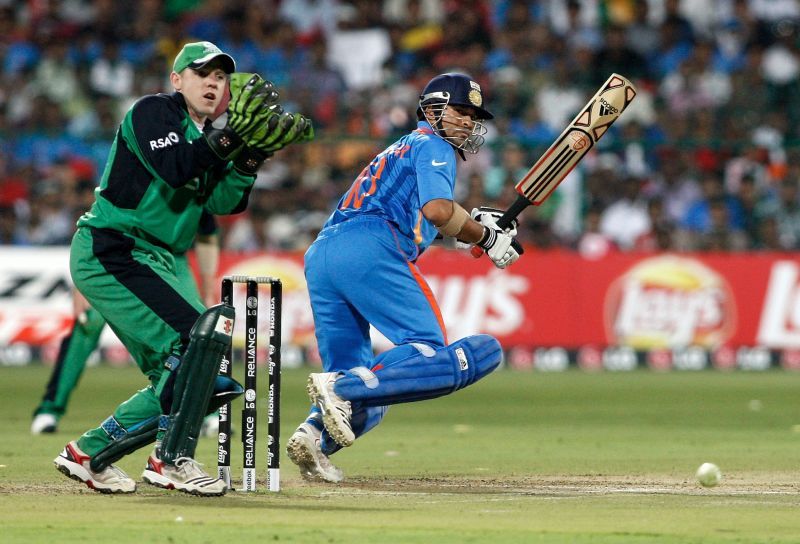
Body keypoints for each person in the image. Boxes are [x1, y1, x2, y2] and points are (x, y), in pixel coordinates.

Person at [54, 41, 312, 496]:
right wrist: (232, 138)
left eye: (220, 77)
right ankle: (170, 460)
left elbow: (223, 201)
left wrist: (252, 155)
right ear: (177, 80)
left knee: (197, 377)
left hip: (158, 258)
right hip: (113, 247)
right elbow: (175, 168)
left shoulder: (209, 137)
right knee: (201, 340)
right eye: (202, 74)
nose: (213, 82)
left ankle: (88, 455)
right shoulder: (153, 111)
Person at [286, 73, 521, 483]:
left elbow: (435, 216)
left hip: (324, 254)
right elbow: (436, 211)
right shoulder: (434, 144)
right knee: (426, 349)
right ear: (433, 109)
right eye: (460, 111)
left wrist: (472, 229)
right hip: (370, 247)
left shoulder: (403, 147)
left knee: (369, 392)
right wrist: (483, 235)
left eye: (472, 116)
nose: (467, 122)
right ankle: (340, 387)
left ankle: (312, 439)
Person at [31, 212, 221, 436]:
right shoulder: (142, 180)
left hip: (173, 260)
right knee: (88, 321)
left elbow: (207, 236)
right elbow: (100, 216)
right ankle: (50, 409)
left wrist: (208, 292)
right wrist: (82, 280)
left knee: (197, 331)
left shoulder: (202, 184)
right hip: (126, 253)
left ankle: (206, 412)